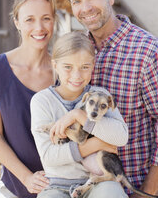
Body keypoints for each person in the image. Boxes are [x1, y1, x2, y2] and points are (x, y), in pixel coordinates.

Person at [59, 0, 158, 197]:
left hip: (132, 186)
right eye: (77, 1)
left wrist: (149, 191)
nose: (86, 8)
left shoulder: (147, 51)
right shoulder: (76, 51)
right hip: (83, 185)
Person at [31, 31, 129, 198]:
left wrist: (79, 116)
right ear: (55, 65)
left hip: (99, 181)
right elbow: (49, 157)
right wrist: (98, 144)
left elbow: (121, 138)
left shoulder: (101, 96)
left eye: (85, 67)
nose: (76, 75)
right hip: (57, 184)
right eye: (68, 67)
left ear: (93, 65)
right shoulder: (42, 101)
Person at [0, 0, 56, 198]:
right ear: (17, 22)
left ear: (54, 20)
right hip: (15, 189)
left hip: (60, 190)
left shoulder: (65, 71)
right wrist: (26, 178)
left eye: (45, 18)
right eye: (29, 19)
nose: (39, 28)